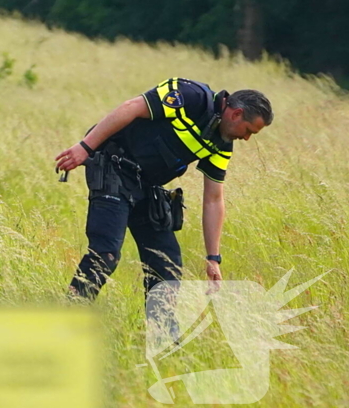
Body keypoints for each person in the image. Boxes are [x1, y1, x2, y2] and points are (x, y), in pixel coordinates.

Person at [54, 78, 273, 300]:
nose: (246, 138)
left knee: (167, 268)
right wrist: (84, 147)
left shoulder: (222, 142)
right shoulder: (191, 95)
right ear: (236, 114)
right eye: (249, 131)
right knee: (105, 254)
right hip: (114, 165)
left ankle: (162, 334)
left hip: (147, 186)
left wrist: (213, 258)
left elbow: (214, 199)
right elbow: (131, 107)